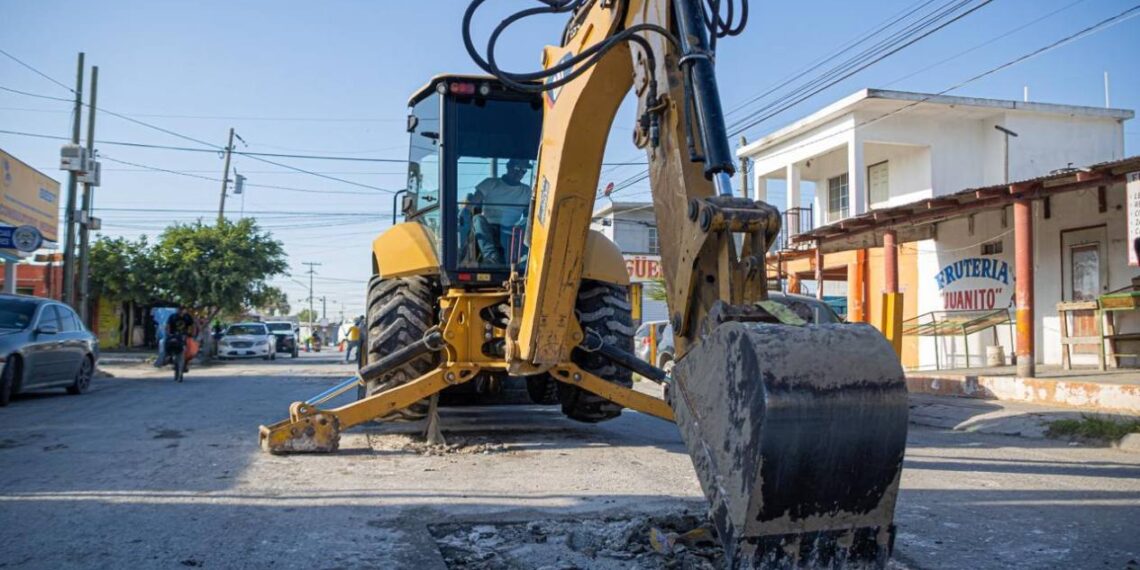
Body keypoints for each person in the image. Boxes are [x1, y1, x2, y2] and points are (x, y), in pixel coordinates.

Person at [460, 158, 532, 266]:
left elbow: (529, 215)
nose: (520, 173)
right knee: (477, 219)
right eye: (517, 168)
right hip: (489, 227)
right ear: (508, 167)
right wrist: (463, 214)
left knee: (528, 221)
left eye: (524, 170)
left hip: (513, 230)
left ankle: (526, 258)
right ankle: (492, 257)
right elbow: (471, 205)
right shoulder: (490, 183)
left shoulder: (527, 191)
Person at [165, 306, 197, 371]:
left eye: (182, 309)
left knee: (190, 347)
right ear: (177, 309)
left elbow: (193, 326)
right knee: (166, 342)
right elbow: (168, 326)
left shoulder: (187, 317)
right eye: (179, 309)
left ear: (185, 310)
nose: (181, 311)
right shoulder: (172, 316)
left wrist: (193, 334)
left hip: (185, 335)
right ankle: (169, 357)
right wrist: (169, 334)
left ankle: (186, 363)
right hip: (174, 335)